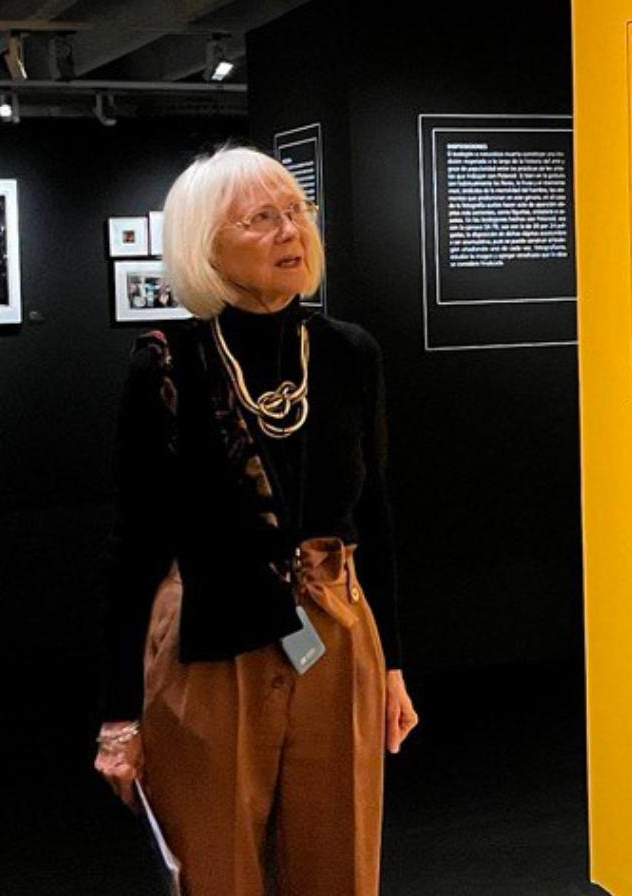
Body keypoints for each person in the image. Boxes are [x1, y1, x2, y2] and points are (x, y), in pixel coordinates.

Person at [92, 145, 419, 896]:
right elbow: (132, 544)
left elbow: (375, 513)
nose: (290, 231)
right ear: (204, 243)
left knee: (340, 864)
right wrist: (117, 714)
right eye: (262, 218)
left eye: (297, 212)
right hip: (211, 639)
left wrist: (393, 666)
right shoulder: (167, 363)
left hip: (335, 631)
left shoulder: (349, 353)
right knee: (216, 869)